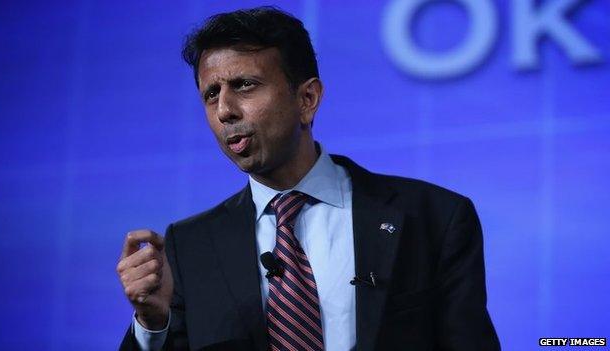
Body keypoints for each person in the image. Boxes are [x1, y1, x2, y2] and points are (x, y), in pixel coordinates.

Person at [117, 6, 500, 351]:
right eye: (211, 94)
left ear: (307, 99)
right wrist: (153, 324)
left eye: (244, 85)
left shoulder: (433, 218)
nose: (225, 111)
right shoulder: (190, 247)